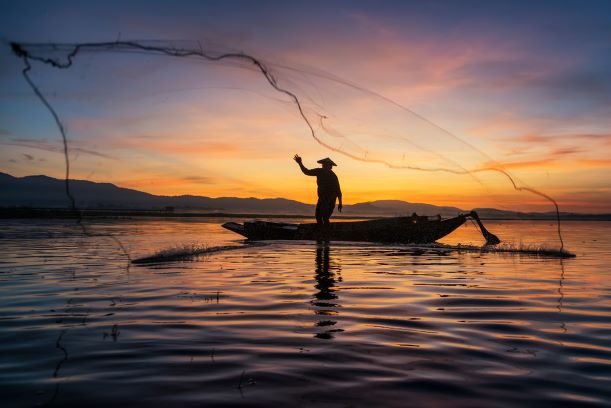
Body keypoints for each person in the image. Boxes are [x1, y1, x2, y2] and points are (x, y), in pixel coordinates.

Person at [293, 154, 342, 227]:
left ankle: (324, 232)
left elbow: (338, 190)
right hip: (322, 199)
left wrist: (340, 202)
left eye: (327, 165)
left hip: (330, 199)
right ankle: (322, 232)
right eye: (324, 165)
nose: (324, 166)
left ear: (330, 166)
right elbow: (307, 172)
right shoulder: (319, 171)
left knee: (324, 217)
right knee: (319, 217)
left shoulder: (333, 176)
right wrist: (300, 163)